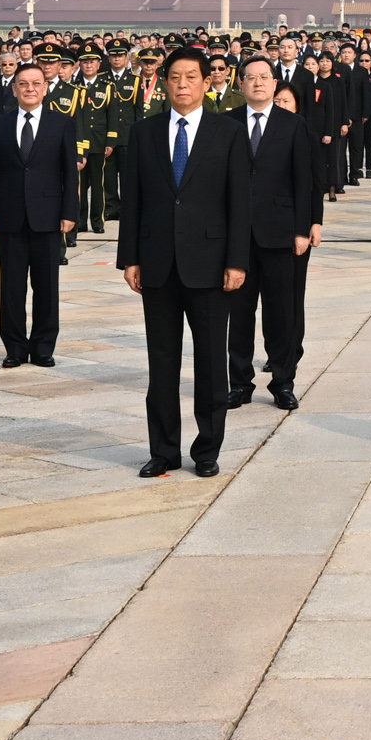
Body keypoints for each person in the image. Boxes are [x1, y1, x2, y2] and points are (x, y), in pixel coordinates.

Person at [118, 48, 249, 479]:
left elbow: (238, 202)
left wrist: (236, 261)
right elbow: (132, 199)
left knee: (211, 363)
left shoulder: (227, 133)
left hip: (210, 265)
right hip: (156, 264)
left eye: (191, 76)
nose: (183, 84)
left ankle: (207, 449)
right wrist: (130, 257)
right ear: (164, 82)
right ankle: (164, 450)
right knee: (162, 363)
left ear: (206, 81)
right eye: (175, 77)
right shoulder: (144, 132)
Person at [228, 55, 325, 410]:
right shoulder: (226, 124)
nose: (257, 83)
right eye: (250, 77)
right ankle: (239, 383)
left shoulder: (292, 124)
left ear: (274, 83)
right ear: (240, 84)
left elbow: (304, 179)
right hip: (236, 235)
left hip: (281, 232)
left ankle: (283, 381)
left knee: (280, 311)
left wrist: (304, 227)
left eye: (264, 77)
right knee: (238, 313)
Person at [0, 60, 81, 366]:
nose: (30, 89)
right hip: (10, 216)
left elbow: (70, 172)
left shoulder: (61, 123)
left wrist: (69, 212)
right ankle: (14, 347)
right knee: (12, 286)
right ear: (14, 89)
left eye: (36, 84)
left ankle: (43, 346)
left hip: (48, 215)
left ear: (45, 88)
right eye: (23, 84)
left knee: (46, 285)